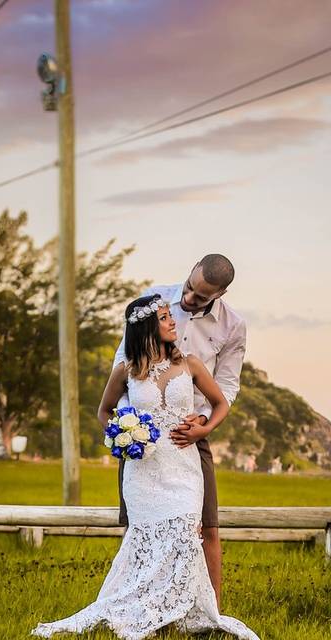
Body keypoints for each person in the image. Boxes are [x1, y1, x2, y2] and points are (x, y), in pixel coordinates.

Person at [32, 294, 258, 639]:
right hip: (144, 470)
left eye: (170, 316)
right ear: (148, 327)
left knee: (184, 533)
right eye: (166, 318)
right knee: (146, 540)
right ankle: (148, 613)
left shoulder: (191, 364)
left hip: (184, 465)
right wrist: (121, 435)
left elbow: (220, 402)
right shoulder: (126, 370)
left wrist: (205, 429)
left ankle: (177, 610)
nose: (173, 323)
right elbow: (104, 411)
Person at [112, 254, 246, 610]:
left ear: (221, 293)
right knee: (139, 525)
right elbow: (124, 369)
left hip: (191, 435)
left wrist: (203, 428)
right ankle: (139, 601)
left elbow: (227, 388)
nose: (188, 300)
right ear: (190, 273)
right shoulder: (154, 301)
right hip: (142, 441)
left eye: (200, 297)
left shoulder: (232, 326)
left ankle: (209, 609)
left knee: (207, 525)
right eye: (189, 288)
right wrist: (130, 430)